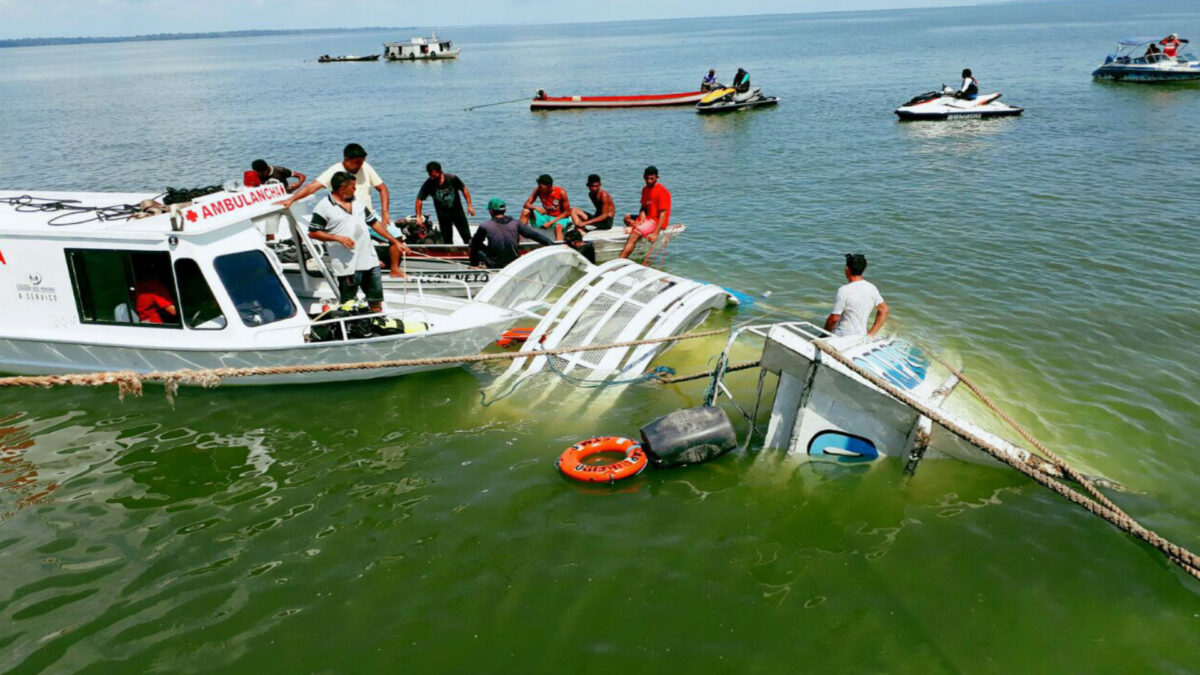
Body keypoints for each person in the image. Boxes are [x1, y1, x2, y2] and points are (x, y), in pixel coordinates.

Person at [279, 143, 405, 277]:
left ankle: (394, 269)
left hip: (368, 215)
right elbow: (313, 187)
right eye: (357, 163)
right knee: (353, 244)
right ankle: (359, 272)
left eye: (362, 162)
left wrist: (385, 212)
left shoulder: (365, 166)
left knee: (396, 235)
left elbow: (382, 188)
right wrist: (291, 200)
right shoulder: (335, 171)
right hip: (346, 217)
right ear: (346, 159)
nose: (360, 166)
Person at [307, 171, 395, 312]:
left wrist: (394, 241)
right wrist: (338, 238)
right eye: (353, 187)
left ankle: (378, 323)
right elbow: (313, 232)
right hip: (346, 266)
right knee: (348, 304)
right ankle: (351, 328)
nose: (355, 190)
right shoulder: (323, 207)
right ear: (342, 188)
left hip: (370, 261)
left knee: (376, 302)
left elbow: (373, 223)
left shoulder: (357, 201)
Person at [468, 198, 555, 269]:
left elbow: (475, 243)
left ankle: (474, 265)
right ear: (505, 210)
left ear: (491, 211)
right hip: (514, 263)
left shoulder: (485, 225)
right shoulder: (516, 223)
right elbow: (536, 236)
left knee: (473, 243)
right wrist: (552, 245)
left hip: (494, 264)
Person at [824, 253, 889, 338]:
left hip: (843, 336)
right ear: (864, 269)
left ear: (847, 269)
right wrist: (870, 334)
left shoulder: (844, 290)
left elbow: (834, 319)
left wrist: (824, 334)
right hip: (861, 336)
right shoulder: (871, 288)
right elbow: (884, 310)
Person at [415, 161, 474, 244]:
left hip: (457, 212)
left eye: (434, 176)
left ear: (441, 172)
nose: (432, 178)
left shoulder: (452, 178)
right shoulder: (429, 183)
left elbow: (464, 189)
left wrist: (469, 206)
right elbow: (419, 199)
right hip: (443, 215)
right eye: (430, 176)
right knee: (447, 240)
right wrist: (418, 216)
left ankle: (471, 254)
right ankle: (449, 255)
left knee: (467, 237)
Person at [619, 166, 671, 259]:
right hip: (648, 218)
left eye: (652, 179)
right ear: (643, 177)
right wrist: (642, 220)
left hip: (656, 220)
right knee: (626, 217)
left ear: (657, 178)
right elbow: (643, 208)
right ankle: (639, 228)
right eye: (647, 178)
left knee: (634, 234)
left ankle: (619, 261)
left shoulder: (662, 192)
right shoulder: (645, 189)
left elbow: (663, 215)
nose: (649, 181)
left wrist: (655, 233)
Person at [520, 173, 571, 241]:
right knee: (525, 211)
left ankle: (559, 246)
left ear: (549, 186)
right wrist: (536, 208)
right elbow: (526, 204)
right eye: (538, 185)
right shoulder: (538, 190)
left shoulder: (561, 192)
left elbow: (567, 212)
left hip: (559, 218)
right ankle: (518, 238)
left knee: (558, 227)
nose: (539, 187)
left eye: (541, 186)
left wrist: (550, 223)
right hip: (546, 216)